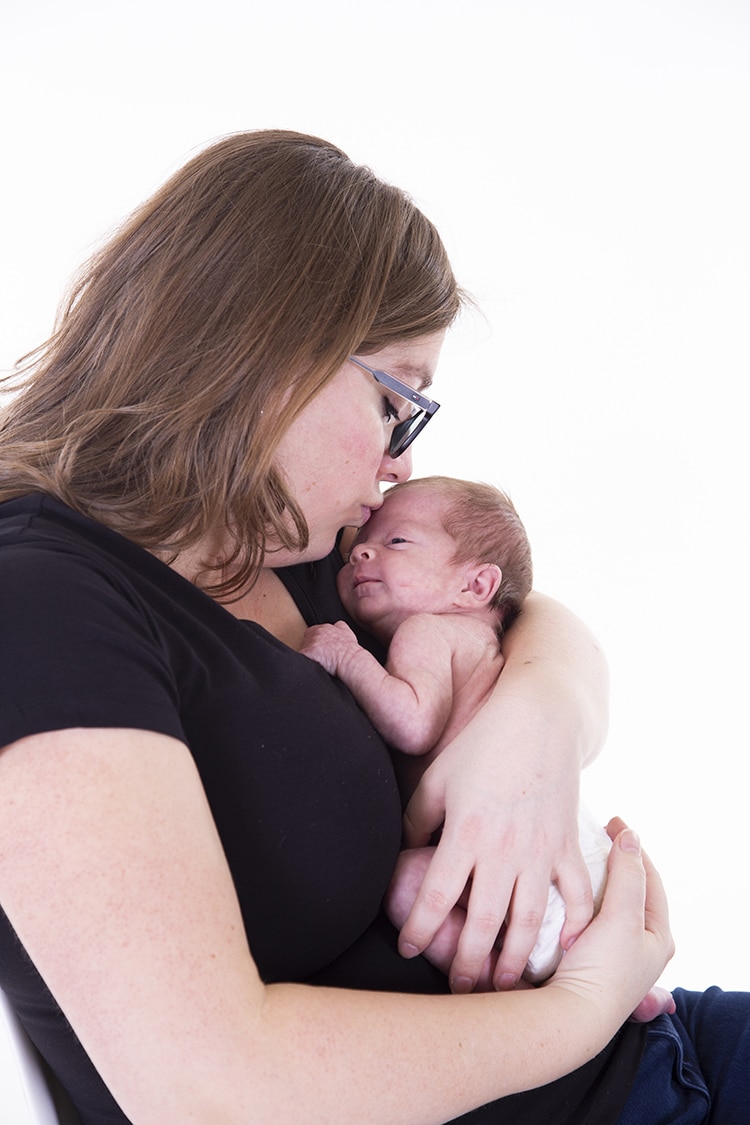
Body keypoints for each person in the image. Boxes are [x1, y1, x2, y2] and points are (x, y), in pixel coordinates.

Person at [0, 129, 743, 1125]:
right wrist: (585, 1004)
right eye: (398, 398)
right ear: (268, 348)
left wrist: (537, 730)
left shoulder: (289, 547)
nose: (401, 463)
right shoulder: (40, 603)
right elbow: (207, 1089)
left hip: (663, 1052)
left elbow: (528, 613)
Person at [300, 475, 612, 986]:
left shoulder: (425, 631)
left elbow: (414, 725)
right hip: (576, 849)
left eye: (397, 541)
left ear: (476, 586)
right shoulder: (485, 644)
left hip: (516, 854)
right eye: (359, 546)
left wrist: (348, 657)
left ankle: (513, 994)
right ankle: (609, 984)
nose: (360, 554)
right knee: (587, 958)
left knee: (408, 887)